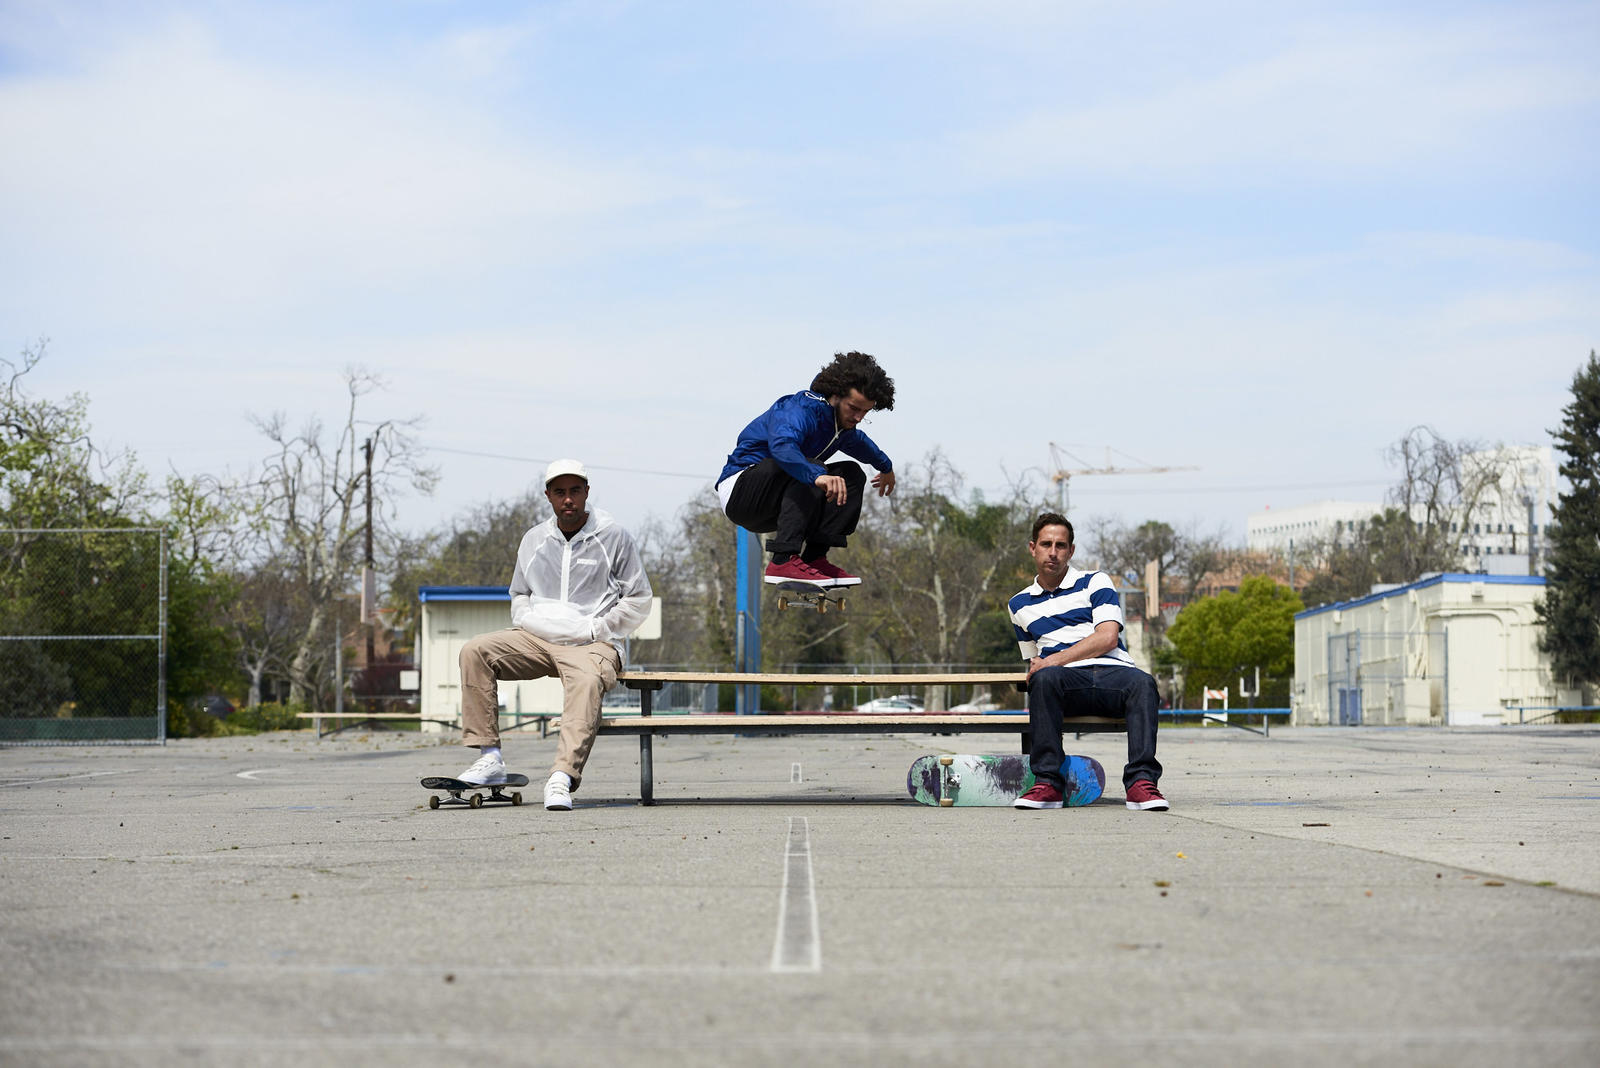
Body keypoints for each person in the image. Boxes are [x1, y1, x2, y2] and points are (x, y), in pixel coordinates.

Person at [454, 459, 653, 811]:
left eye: (575, 490)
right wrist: (531, 621)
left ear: (587, 492)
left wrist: (597, 627)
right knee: (475, 651)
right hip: (537, 638)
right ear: (548, 495)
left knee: (587, 681)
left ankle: (562, 776)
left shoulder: (613, 536)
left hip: (593, 642)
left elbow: (638, 598)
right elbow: (519, 594)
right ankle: (490, 757)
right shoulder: (534, 539)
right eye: (560, 492)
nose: (568, 499)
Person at [1009, 513, 1168, 811]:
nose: (1053, 552)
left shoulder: (1095, 581)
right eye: (1046, 544)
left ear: (1071, 550)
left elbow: (1107, 638)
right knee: (1044, 679)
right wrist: (1046, 665)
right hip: (1064, 684)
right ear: (1032, 548)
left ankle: (1141, 784)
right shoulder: (1018, 604)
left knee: (1143, 683)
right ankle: (1048, 784)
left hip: (1113, 676)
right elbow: (1035, 661)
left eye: (1060, 545)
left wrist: (1055, 659)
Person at [715, 351, 897, 587]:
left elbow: (862, 444)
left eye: (865, 412)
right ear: (836, 395)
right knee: (814, 467)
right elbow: (783, 446)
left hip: (776, 506)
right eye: (854, 408)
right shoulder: (800, 409)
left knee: (851, 475)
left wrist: (886, 468)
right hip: (741, 493)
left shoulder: (840, 428)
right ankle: (782, 560)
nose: (858, 417)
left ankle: (815, 558)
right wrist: (816, 476)